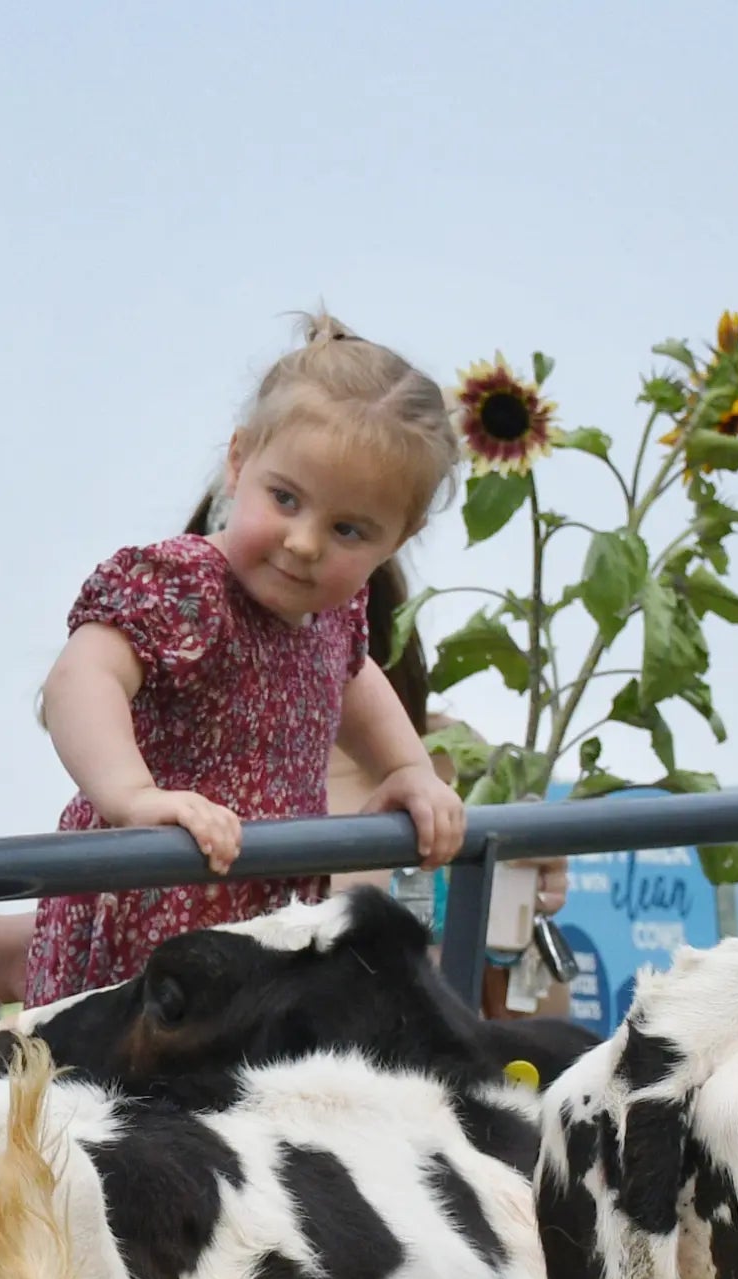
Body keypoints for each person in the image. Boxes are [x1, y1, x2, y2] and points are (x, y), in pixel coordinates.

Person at [26, 314, 469, 1006]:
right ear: (239, 462)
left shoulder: (331, 617)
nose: (304, 543)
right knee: (122, 1060)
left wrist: (408, 771)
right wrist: (134, 796)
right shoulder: (188, 585)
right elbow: (81, 677)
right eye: (285, 498)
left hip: (264, 912)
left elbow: (354, 682)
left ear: (399, 537)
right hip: (150, 892)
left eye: (348, 529)